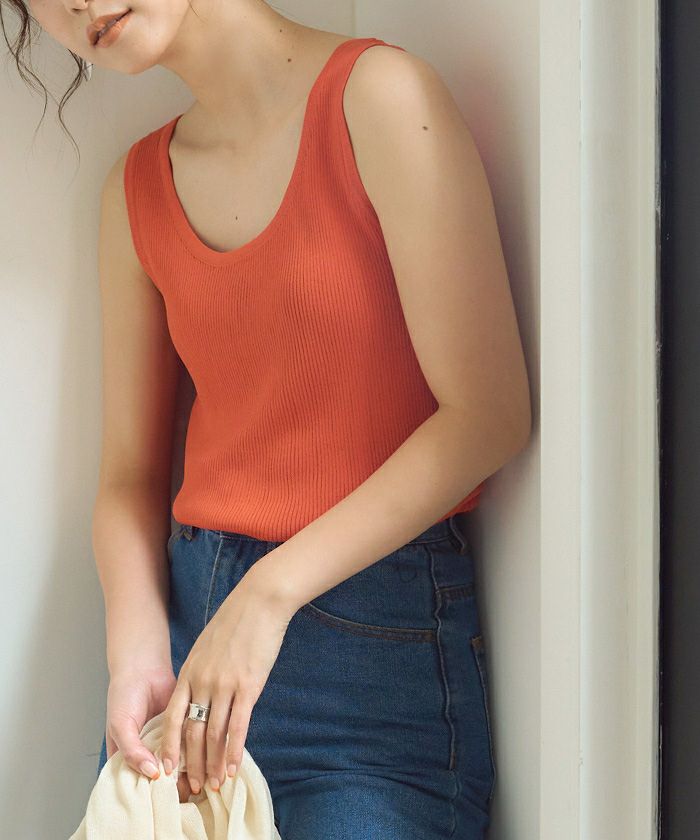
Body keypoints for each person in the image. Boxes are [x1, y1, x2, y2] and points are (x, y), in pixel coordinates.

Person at [6, 0, 531, 836]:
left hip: (369, 682)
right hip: (188, 673)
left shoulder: (380, 97)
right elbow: (130, 478)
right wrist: (136, 653)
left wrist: (266, 597)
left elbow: (487, 416)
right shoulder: (135, 190)